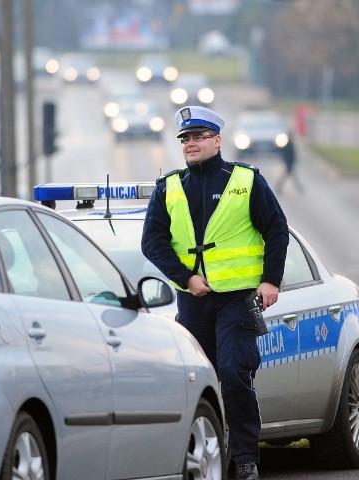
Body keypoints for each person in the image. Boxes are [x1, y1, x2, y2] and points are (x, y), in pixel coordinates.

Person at [141, 106, 289, 480]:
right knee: (197, 380)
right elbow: (152, 242)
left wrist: (270, 280)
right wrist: (186, 277)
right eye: (186, 139)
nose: (191, 144)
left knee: (233, 372)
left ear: (217, 140)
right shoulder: (169, 187)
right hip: (194, 302)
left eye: (198, 137)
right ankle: (201, 455)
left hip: (238, 299)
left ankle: (245, 458)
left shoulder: (245, 181)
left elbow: (276, 229)